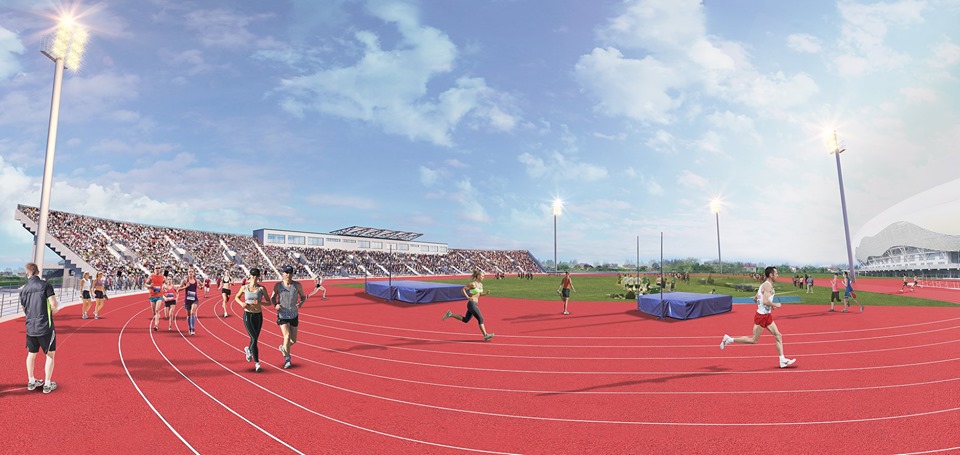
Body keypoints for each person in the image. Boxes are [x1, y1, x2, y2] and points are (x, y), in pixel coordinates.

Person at [720, 266, 796, 369]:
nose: (778, 275)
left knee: (778, 335)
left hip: (766, 315)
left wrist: (768, 305)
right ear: (771, 275)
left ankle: (782, 360)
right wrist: (775, 304)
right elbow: (765, 301)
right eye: (776, 273)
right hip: (761, 316)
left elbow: (756, 298)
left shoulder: (764, 285)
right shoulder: (767, 286)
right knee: (753, 340)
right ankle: (729, 340)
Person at [21, 262, 60, 393]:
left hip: (30, 327)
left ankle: (31, 381)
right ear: (37, 272)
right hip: (45, 326)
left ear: (27, 273)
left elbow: (24, 309)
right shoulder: (46, 285)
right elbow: (54, 305)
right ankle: (47, 384)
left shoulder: (24, 290)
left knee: (31, 354)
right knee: (50, 355)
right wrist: (52, 311)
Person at [442, 270, 495, 341]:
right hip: (472, 304)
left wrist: (485, 293)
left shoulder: (481, 285)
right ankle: (485, 335)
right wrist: (467, 297)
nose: (483, 277)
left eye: (483, 276)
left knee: (466, 320)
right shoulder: (472, 284)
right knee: (481, 318)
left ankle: (450, 314)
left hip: (475, 304)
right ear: (478, 276)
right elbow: (463, 290)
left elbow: (479, 294)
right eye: (482, 276)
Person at [272, 265, 306, 369]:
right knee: (286, 336)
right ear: (283, 274)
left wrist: (301, 303)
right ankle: (287, 359)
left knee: (293, 340)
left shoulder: (297, 285)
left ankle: (284, 347)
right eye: (286, 273)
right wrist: (275, 305)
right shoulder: (278, 286)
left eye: (290, 273)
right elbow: (273, 297)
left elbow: (303, 296)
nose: (288, 275)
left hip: (294, 314)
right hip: (282, 314)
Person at [236, 268, 269, 373]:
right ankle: (257, 363)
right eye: (253, 275)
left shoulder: (261, 289)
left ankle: (249, 349)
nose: (254, 277)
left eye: (256, 275)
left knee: (255, 339)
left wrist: (260, 303)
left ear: (258, 277)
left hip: (258, 316)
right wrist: (241, 304)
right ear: (249, 276)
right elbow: (237, 297)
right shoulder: (244, 287)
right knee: (254, 338)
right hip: (248, 315)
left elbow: (269, 302)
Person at [178, 269, 200, 335]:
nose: (191, 273)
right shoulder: (185, 281)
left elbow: (200, 286)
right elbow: (179, 289)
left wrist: (201, 287)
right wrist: (185, 286)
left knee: (193, 312)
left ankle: (192, 328)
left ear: (194, 273)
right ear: (187, 273)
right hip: (187, 300)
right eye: (189, 271)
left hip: (195, 299)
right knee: (188, 315)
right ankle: (190, 327)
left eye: (192, 272)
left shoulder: (196, 280)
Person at [146, 266, 165, 330]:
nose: (157, 269)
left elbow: (166, 283)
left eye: (159, 268)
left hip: (159, 295)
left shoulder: (163, 277)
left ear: (160, 269)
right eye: (156, 268)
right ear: (154, 269)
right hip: (152, 295)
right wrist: (149, 286)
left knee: (157, 310)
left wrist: (165, 287)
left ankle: (156, 325)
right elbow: (145, 284)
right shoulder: (151, 276)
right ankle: (157, 316)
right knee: (154, 312)